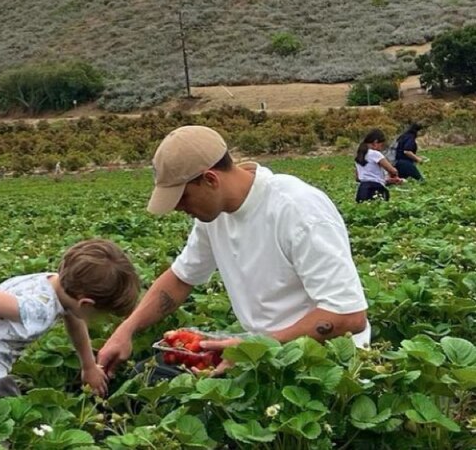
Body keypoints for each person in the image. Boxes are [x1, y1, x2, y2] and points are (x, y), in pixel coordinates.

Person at [97, 126, 370, 378]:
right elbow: (181, 278)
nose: (178, 208)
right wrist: (126, 329)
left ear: (210, 179)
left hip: (321, 360)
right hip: (259, 350)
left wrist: (253, 348)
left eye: (182, 197)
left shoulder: (298, 210)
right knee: (147, 374)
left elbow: (348, 316)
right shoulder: (213, 216)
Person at [0, 239, 140, 398]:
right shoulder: (40, 309)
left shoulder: (55, 283)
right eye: (101, 315)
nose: (99, 320)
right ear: (85, 304)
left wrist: (88, 366)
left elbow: (74, 320)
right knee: (9, 416)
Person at [354, 128, 401, 203]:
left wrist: (387, 181)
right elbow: (392, 170)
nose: (381, 148)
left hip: (362, 190)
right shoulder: (375, 154)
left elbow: (358, 178)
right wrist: (395, 177)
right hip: (375, 189)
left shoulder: (359, 155)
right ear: (375, 142)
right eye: (381, 145)